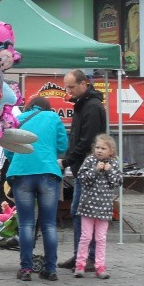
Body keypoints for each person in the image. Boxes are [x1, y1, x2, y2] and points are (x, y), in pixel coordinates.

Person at [6, 96, 68, 281]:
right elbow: (63, 145)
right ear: (46, 107)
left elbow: (8, 149)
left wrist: (20, 161)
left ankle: (26, 269)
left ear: (29, 106)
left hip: (22, 173)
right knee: (49, 224)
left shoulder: (17, 120)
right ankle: (50, 269)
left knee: (26, 223)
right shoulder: (53, 117)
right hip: (48, 173)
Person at [58, 70, 107, 271]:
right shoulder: (83, 104)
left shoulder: (93, 107)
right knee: (78, 212)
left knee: (87, 214)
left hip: (90, 171)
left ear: (83, 83)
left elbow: (87, 141)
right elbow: (76, 138)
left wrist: (68, 160)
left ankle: (88, 256)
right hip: (82, 168)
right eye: (66, 87)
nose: (68, 91)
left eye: (71, 87)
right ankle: (81, 255)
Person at [73, 133, 123, 279]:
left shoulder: (113, 163)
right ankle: (80, 264)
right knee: (86, 236)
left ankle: (100, 266)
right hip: (87, 206)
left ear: (111, 151)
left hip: (104, 208)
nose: (99, 150)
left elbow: (118, 181)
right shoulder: (90, 160)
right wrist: (95, 169)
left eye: (103, 148)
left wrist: (109, 171)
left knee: (101, 238)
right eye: (97, 147)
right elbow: (82, 178)